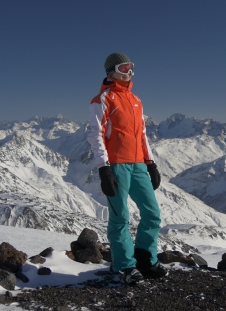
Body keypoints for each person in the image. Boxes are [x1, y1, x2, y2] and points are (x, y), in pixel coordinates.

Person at [87, 52, 167, 284]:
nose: (129, 72)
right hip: (117, 166)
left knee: (152, 214)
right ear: (111, 71)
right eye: (124, 68)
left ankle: (145, 259)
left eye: (131, 67)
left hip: (139, 165)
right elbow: (96, 134)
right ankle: (124, 266)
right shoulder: (102, 100)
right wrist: (104, 168)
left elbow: (141, 134)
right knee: (120, 217)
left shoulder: (136, 100)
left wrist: (149, 162)